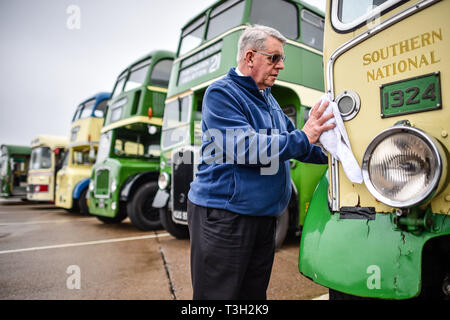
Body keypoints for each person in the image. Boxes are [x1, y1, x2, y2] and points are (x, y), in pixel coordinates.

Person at [187, 25, 335, 300]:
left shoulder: (269, 98)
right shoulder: (222, 93)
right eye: (274, 58)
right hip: (225, 216)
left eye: (282, 59)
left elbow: (296, 143)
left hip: (263, 218)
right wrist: (304, 136)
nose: (280, 66)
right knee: (219, 296)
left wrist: (334, 155)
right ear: (250, 57)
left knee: (253, 295)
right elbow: (246, 147)